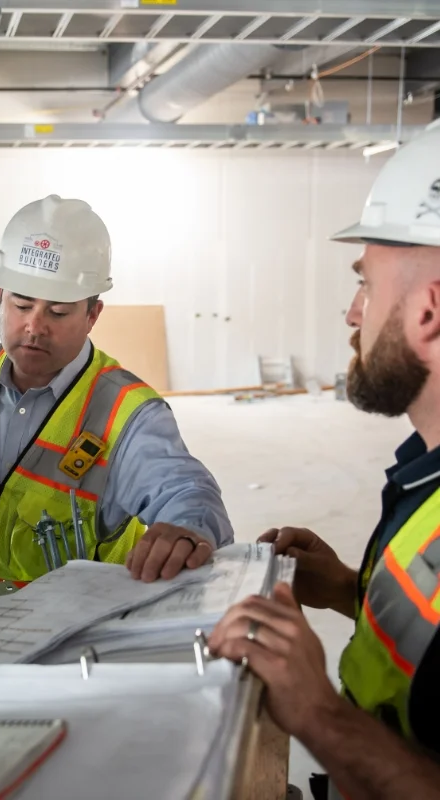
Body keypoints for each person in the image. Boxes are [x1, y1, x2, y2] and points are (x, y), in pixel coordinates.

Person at [208, 120, 440, 800]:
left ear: (430, 312)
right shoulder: (425, 473)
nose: (351, 313)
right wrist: (343, 588)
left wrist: (316, 714)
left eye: (365, 285)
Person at [0, 195, 233, 590]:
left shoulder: (127, 411)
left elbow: (186, 490)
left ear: (92, 315)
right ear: (0, 298)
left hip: (74, 641)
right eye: (22, 305)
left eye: (58, 312)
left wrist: (188, 529)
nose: (34, 327)